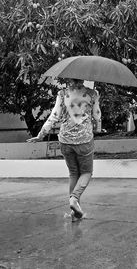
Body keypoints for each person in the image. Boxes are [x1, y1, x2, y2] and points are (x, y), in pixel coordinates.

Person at [27, 78, 101, 222]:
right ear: (83, 77)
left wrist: (40, 135)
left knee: (73, 173)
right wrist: (96, 124)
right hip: (84, 140)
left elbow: (54, 116)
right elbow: (97, 116)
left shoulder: (62, 94)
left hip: (65, 141)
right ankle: (74, 199)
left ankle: (74, 213)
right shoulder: (93, 94)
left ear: (69, 78)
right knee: (86, 172)